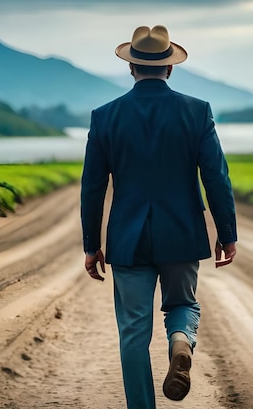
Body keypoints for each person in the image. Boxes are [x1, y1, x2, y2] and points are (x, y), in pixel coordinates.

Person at [80, 25, 238, 408]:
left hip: (128, 239)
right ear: (169, 69)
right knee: (182, 303)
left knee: (133, 332)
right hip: (182, 232)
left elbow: (93, 187)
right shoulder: (197, 112)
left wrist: (91, 245)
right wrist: (227, 232)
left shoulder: (105, 117)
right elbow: (216, 176)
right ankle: (180, 339)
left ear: (131, 68)